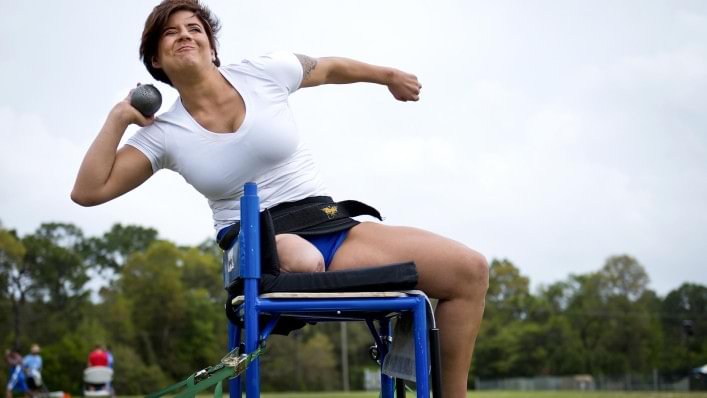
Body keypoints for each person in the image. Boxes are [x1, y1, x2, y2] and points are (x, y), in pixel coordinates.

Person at [71, 1, 488, 395]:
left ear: (212, 48)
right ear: (156, 61)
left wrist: (388, 76)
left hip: (329, 221)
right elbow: (88, 191)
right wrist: (119, 118)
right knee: (306, 261)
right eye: (170, 34)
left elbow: (329, 68)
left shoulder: (263, 72)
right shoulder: (163, 135)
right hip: (256, 241)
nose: (185, 35)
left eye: (194, 28)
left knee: (469, 270)